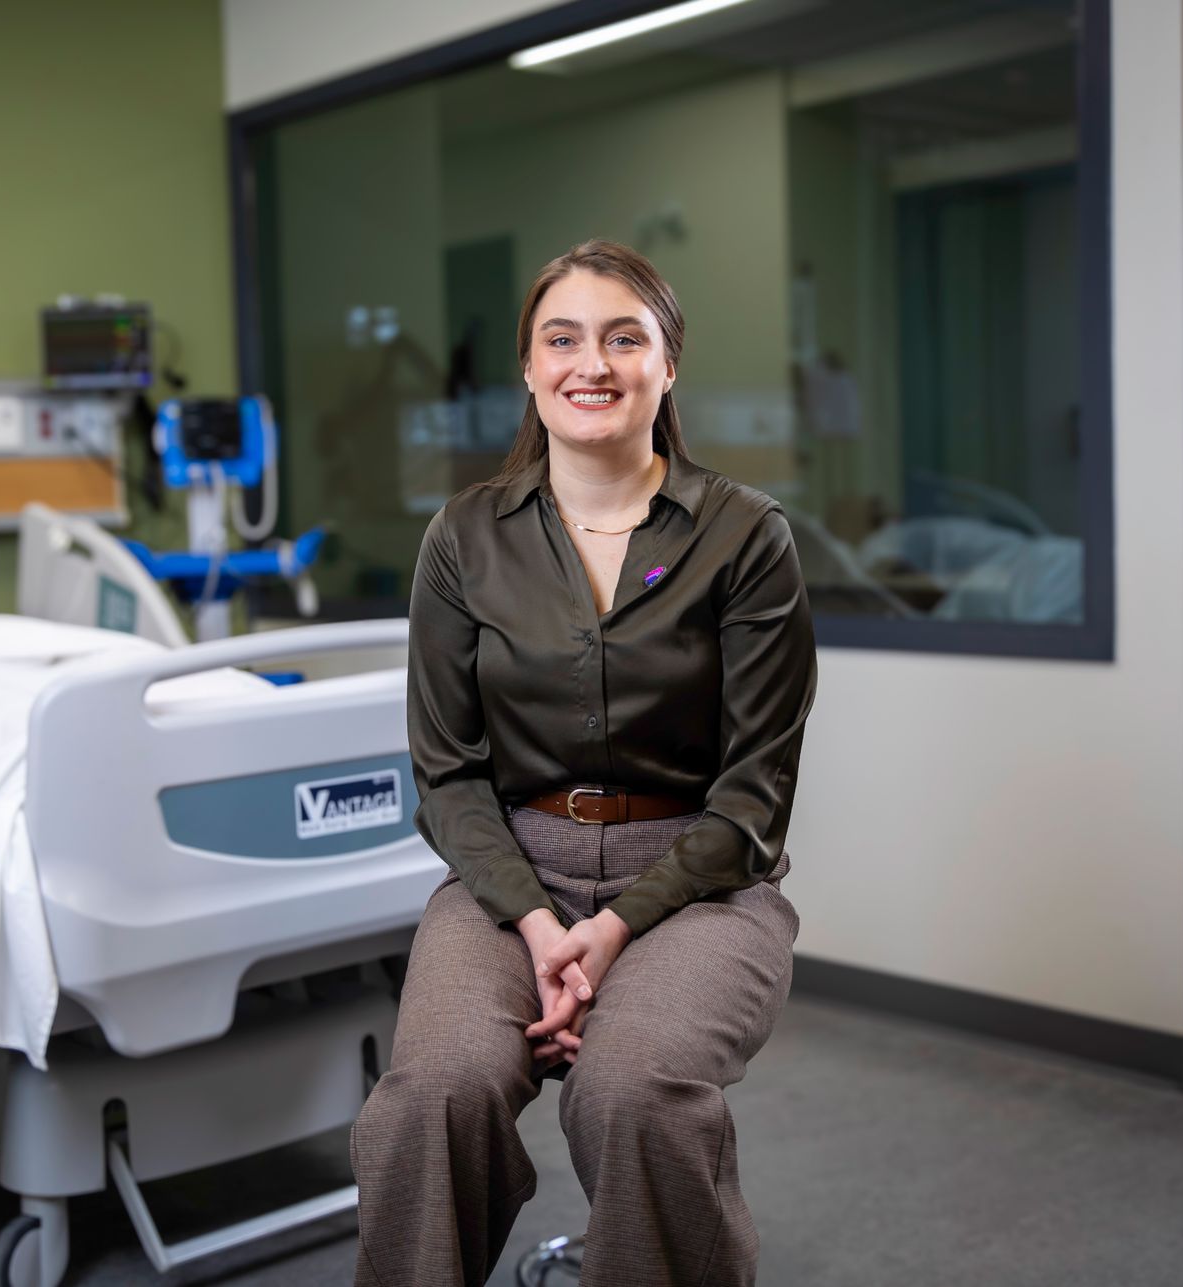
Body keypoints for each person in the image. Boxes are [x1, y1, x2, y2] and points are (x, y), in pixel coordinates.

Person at [351, 241, 816, 1286]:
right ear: (527, 367)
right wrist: (537, 922)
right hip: (509, 874)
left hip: (701, 882)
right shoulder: (467, 538)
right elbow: (450, 774)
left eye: (623, 337)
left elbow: (755, 796)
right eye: (562, 338)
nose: (590, 363)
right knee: (435, 1095)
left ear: (668, 363)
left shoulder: (744, 538)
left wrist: (607, 932)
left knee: (634, 1091)